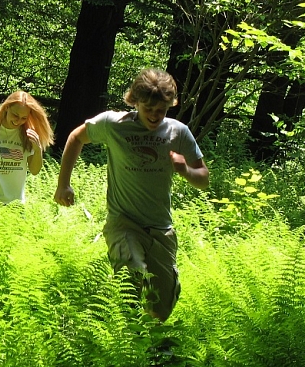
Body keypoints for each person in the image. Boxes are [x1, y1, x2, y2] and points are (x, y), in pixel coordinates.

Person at [54, 68, 209, 322]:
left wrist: (185, 170)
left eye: (161, 110)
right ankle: (118, 336)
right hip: (123, 222)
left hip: (161, 229)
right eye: (148, 109)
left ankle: (148, 351)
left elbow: (204, 178)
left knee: (161, 309)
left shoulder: (178, 132)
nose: (155, 116)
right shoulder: (113, 125)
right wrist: (63, 184)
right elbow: (75, 137)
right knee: (133, 275)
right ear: (134, 102)